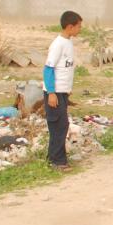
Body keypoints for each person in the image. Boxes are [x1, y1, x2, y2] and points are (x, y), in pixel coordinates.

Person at [43, 10, 82, 170]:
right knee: (59, 126)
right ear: (70, 27)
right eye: (78, 26)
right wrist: (51, 92)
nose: (80, 29)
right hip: (54, 93)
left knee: (62, 125)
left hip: (62, 92)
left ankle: (54, 157)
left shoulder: (68, 43)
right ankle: (57, 161)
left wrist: (67, 89)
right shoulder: (58, 44)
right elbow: (48, 69)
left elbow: (65, 69)